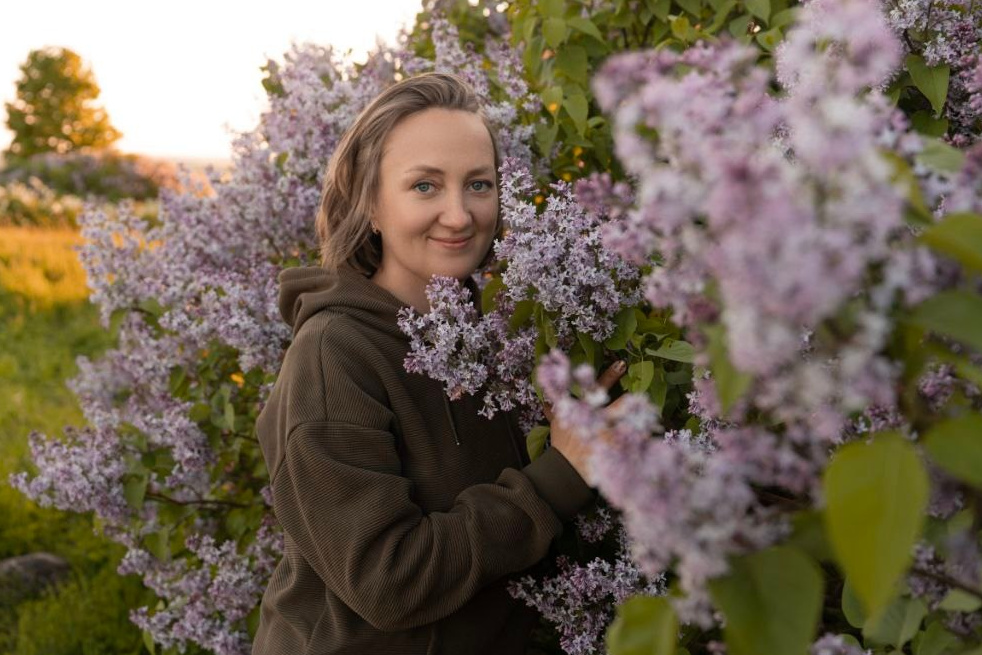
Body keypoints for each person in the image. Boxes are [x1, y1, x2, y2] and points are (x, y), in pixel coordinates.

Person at [252, 71, 624, 655]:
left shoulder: (505, 328)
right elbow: (388, 581)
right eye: (425, 187)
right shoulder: (334, 358)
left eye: (479, 184)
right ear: (370, 201)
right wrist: (558, 479)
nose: (459, 215)